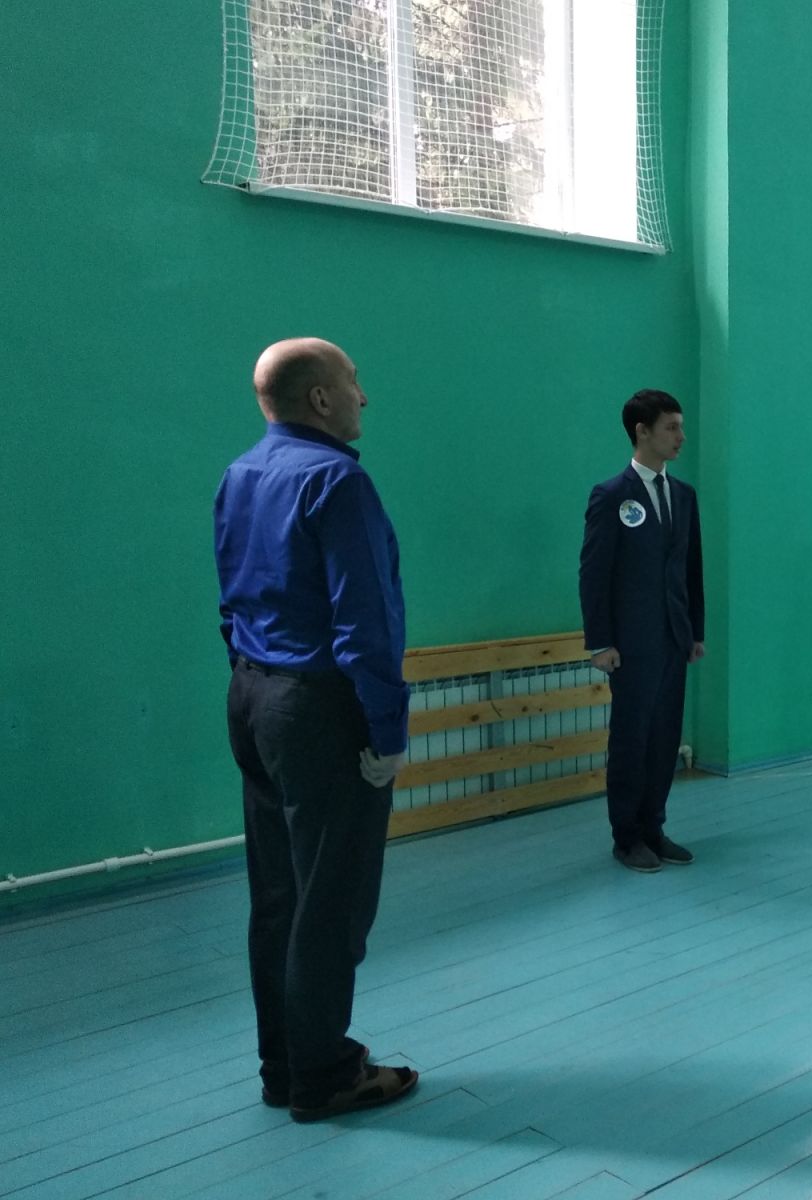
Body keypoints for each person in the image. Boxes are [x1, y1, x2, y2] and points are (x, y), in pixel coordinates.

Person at [214, 337, 418, 1122]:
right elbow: (365, 620)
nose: (364, 396)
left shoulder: (241, 474)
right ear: (322, 399)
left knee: (278, 896)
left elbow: (233, 596)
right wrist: (386, 729)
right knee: (332, 901)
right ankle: (325, 1076)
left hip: (253, 695)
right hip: (320, 708)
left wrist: (256, 685)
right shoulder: (337, 481)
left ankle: (286, 1067)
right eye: (353, 382)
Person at [579, 388, 705, 874]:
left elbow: (691, 569)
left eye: (681, 427)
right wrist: (601, 642)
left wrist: (695, 630)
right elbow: (594, 573)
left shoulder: (684, 495)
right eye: (671, 427)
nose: (681, 437)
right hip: (631, 644)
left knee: (664, 737)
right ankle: (627, 836)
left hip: (673, 639)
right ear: (642, 431)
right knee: (632, 739)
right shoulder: (612, 495)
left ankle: (654, 827)